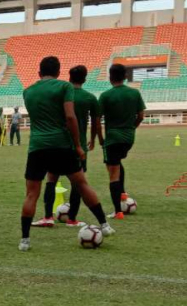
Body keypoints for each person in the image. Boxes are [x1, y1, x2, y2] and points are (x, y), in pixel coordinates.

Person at [19, 56, 114, 252]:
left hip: (37, 146)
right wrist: (78, 146)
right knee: (81, 183)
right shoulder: (64, 87)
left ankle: (25, 240)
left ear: (39, 72)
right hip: (61, 144)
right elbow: (70, 117)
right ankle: (104, 225)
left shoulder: (27, 91)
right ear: (59, 72)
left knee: (31, 194)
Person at [32, 65, 101, 228]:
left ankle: (48, 216)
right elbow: (96, 122)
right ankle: (72, 219)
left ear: (68, 77)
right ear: (85, 79)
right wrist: (92, 139)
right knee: (78, 182)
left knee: (51, 179)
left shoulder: (61, 92)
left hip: (59, 143)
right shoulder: (90, 98)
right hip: (79, 146)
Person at [99, 64, 146, 219]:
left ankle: (118, 211)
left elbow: (97, 120)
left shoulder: (106, 96)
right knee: (117, 163)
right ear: (125, 77)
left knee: (112, 173)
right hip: (128, 138)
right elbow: (140, 116)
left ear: (110, 77)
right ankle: (123, 194)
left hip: (112, 139)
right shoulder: (134, 93)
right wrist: (132, 128)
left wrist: (99, 138)